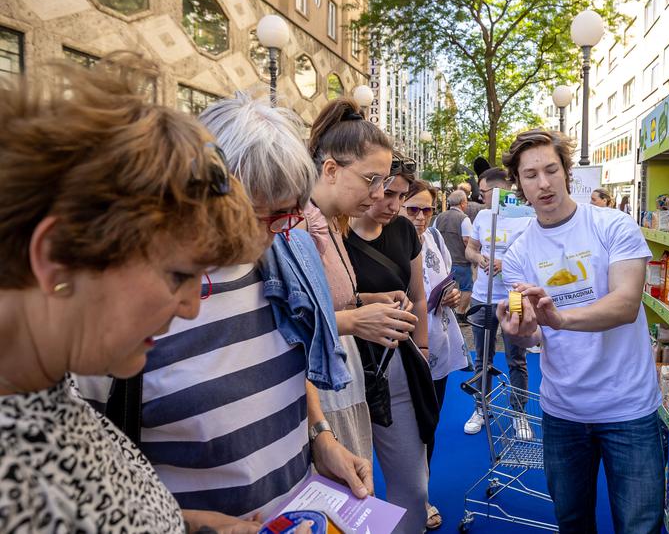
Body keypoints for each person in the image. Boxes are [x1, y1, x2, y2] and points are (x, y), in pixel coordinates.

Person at [79, 92, 374, 525]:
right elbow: (79, 487)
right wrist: (195, 525)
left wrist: (319, 437)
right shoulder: (118, 308)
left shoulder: (284, 263)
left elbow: (293, 359)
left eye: (287, 213)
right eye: (259, 214)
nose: (275, 233)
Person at [0, 54, 263, 532]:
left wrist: (184, 524)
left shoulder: (43, 380)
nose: (191, 307)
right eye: (179, 275)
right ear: (57, 256)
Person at [497, 129, 664, 534]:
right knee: (572, 522)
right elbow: (532, 336)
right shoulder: (518, 253)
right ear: (519, 184)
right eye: (531, 175)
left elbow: (626, 304)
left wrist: (560, 319)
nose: (544, 183)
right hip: (563, 411)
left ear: (567, 172)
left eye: (551, 170)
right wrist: (518, 331)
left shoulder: (613, 225)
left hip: (629, 407)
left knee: (640, 526)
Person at [305, 99, 418, 463]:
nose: (379, 194)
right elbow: (284, 323)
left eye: (383, 183)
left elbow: (328, 300)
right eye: (373, 180)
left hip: (342, 375)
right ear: (331, 170)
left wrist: (368, 301)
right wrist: (355, 320)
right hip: (318, 386)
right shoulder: (300, 226)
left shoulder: (331, 221)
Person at [344, 155, 439, 534]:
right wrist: (365, 303)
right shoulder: (332, 232)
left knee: (414, 488)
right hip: (344, 370)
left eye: (401, 195)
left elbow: (417, 295)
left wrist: (423, 349)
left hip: (396, 363)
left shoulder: (402, 230)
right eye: (388, 193)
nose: (394, 205)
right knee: (352, 490)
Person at [400, 178, 469, 530]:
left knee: (430, 424)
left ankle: (421, 492)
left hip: (438, 345)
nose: (421, 217)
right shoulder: (392, 241)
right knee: (408, 429)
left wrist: (452, 294)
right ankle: (414, 498)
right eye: (413, 209)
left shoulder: (436, 238)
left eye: (427, 209)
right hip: (405, 349)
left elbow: (445, 280)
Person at [463, 168, 532, 438]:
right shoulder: (483, 216)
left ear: (500, 190)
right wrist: (479, 258)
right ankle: (481, 408)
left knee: (517, 358)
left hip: (513, 296)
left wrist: (507, 264)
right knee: (482, 358)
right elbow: (471, 249)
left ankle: (519, 413)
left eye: (484, 191)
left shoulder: (526, 216)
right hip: (483, 296)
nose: (481, 196)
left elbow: (534, 255)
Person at [434, 189, 473, 321]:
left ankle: (447, 313)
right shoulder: (464, 219)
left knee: (446, 288)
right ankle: (460, 314)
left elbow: (434, 235)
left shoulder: (439, 216)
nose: (466, 205)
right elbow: (467, 240)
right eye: (466, 202)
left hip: (443, 261)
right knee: (467, 288)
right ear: (462, 203)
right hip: (460, 261)